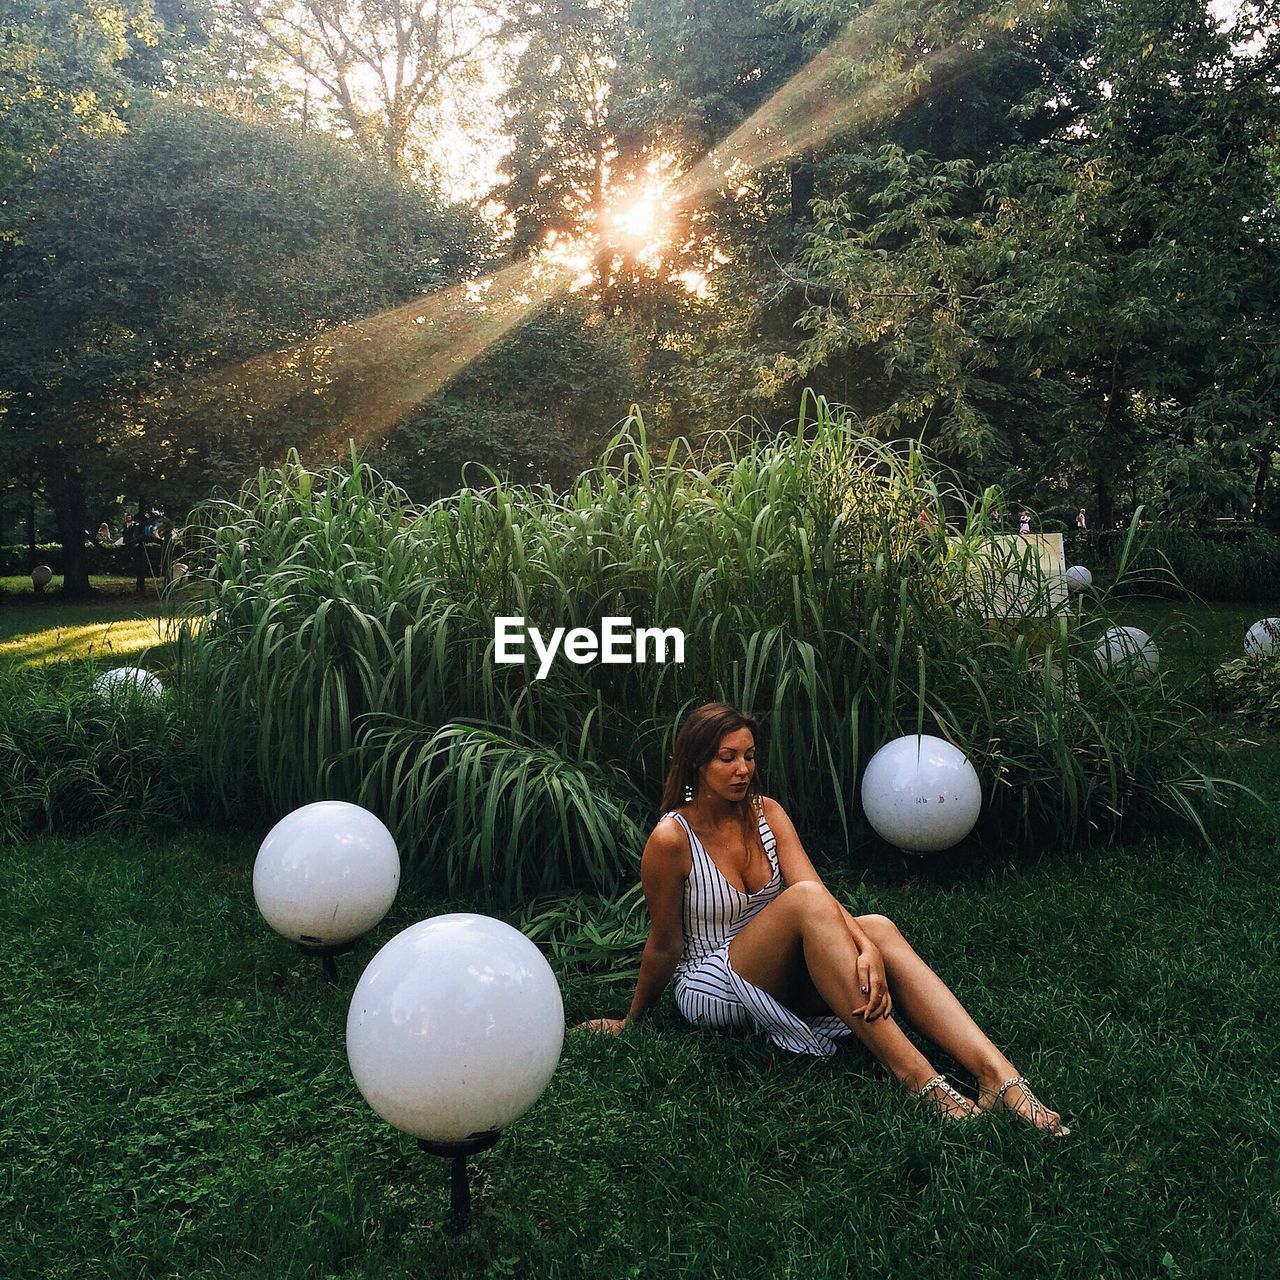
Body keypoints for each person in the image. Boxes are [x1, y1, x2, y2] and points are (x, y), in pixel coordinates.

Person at [582, 703, 1069, 1134]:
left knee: (876, 924)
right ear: (695, 762)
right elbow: (665, 943)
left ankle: (999, 1076)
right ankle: (923, 1082)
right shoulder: (672, 839)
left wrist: (868, 947)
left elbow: (823, 897)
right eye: (726, 757)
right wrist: (632, 1020)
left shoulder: (766, 812)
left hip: (786, 965)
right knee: (809, 901)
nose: (742, 769)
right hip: (713, 981)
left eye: (749, 755)